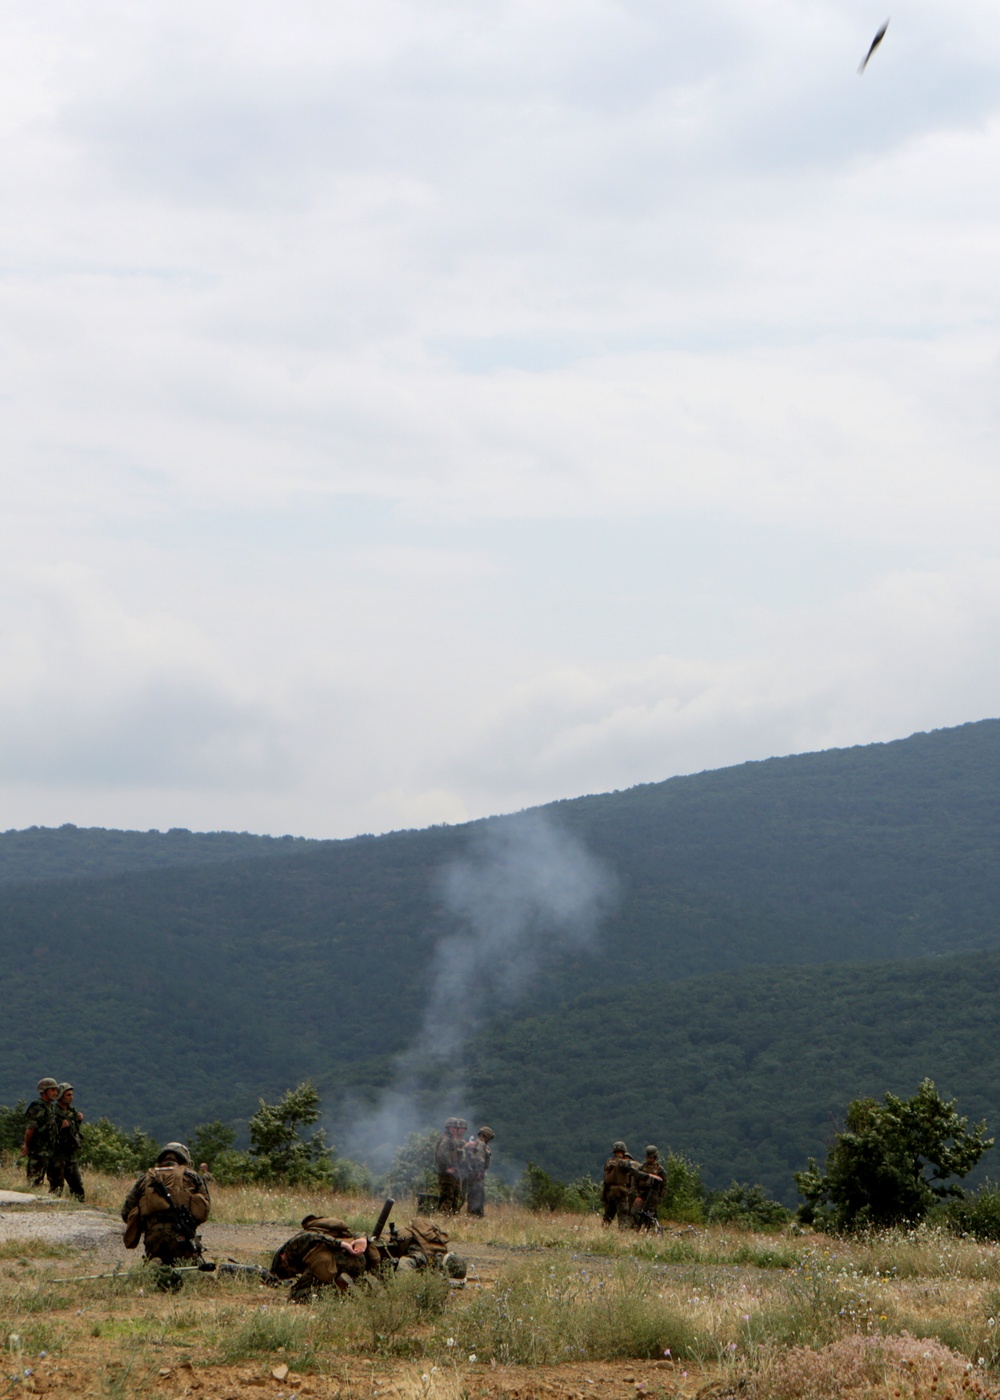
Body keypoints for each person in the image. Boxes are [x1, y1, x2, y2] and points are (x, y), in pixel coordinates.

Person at [121, 1142, 211, 1265]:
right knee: (187, 1267)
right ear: (183, 1159)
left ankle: (154, 1266)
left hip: (153, 1237)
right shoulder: (192, 1176)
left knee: (156, 1267)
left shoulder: (145, 1178)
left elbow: (126, 1212)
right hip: (182, 1236)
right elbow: (204, 1209)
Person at [20, 1078, 60, 1190]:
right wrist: (26, 1145)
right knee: (35, 1182)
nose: (55, 1093)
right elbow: (30, 1129)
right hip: (38, 1152)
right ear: (44, 1091)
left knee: (56, 1182)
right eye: (52, 1090)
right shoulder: (37, 1107)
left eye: (56, 1090)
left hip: (50, 1151)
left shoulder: (50, 1107)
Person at [50, 1084, 86, 1201]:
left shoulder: (72, 1111)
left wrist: (79, 1121)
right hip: (57, 1154)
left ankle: (79, 1206)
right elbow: (48, 1132)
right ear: (61, 1096)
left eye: (71, 1095)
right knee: (57, 1186)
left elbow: (74, 1131)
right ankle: (53, 1206)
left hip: (70, 1154)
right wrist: (60, 1127)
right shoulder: (53, 1112)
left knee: (77, 1185)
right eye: (68, 1095)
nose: (71, 1097)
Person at [602, 1140, 641, 1228]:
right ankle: (622, 1232)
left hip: (609, 1192)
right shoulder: (623, 1163)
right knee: (623, 1216)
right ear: (623, 1151)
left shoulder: (608, 1162)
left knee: (608, 1216)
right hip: (620, 1193)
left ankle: (602, 1230)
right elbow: (634, 1170)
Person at [434, 1117, 466, 1213]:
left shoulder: (451, 1139)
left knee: (455, 1196)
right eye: (454, 1127)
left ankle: (451, 1215)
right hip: (446, 1173)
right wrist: (448, 1167)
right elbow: (442, 1154)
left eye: (456, 1128)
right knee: (447, 1196)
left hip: (452, 1173)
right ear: (449, 1128)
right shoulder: (446, 1139)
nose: (456, 1130)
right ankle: (444, 1216)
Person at [631, 1145, 665, 1229]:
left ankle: (649, 1230)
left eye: (651, 1157)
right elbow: (634, 1182)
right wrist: (637, 1195)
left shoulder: (660, 1170)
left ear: (655, 1157)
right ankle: (637, 1227)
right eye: (648, 1157)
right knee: (634, 1212)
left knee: (651, 1216)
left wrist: (660, 1198)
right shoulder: (641, 1168)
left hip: (653, 1196)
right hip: (641, 1194)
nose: (649, 1159)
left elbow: (664, 1186)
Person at [464, 1126, 495, 1217]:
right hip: (476, 1173)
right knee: (476, 1194)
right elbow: (479, 1159)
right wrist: (479, 1172)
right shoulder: (481, 1144)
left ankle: (475, 1213)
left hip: (472, 1173)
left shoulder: (475, 1143)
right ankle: (475, 1214)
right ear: (486, 1136)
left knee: (476, 1194)